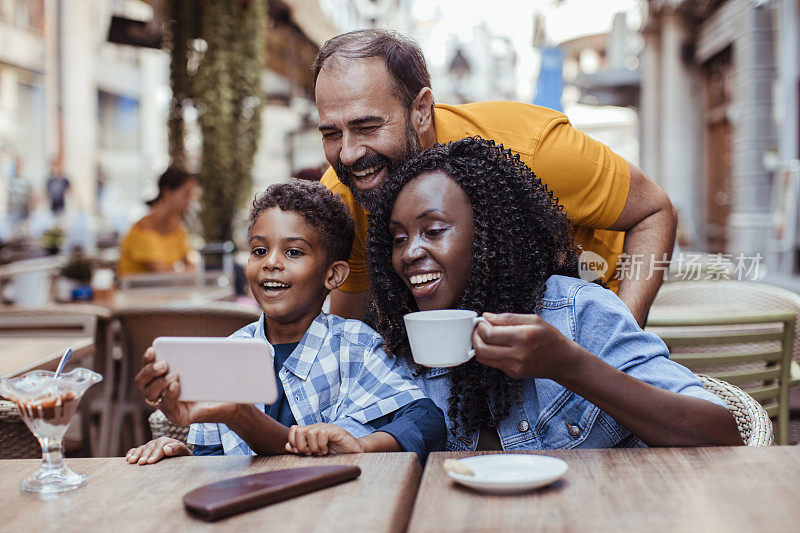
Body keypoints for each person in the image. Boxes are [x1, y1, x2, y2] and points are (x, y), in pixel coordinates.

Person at [367, 137, 741, 450]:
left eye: (433, 231)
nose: (410, 252)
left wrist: (569, 365)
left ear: (490, 237)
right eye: (399, 239)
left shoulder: (577, 312)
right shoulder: (402, 348)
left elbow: (722, 434)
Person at [314, 29, 676, 326]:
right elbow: (356, 328)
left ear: (421, 111)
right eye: (331, 133)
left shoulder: (532, 150)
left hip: (586, 317)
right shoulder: (344, 192)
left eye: (367, 127)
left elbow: (654, 211)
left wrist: (621, 340)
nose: (348, 154)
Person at [127, 180, 445, 465]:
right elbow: (212, 460)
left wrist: (360, 445)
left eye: (293, 252)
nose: (271, 263)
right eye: (259, 250)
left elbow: (426, 420)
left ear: (333, 275)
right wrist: (182, 460)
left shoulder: (354, 348)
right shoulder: (228, 354)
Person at [117, 166, 199, 276]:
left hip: (163, 292)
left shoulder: (177, 230)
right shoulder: (142, 230)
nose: (190, 200)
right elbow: (161, 273)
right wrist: (186, 272)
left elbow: (190, 263)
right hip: (138, 292)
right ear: (167, 192)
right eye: (186, 194)